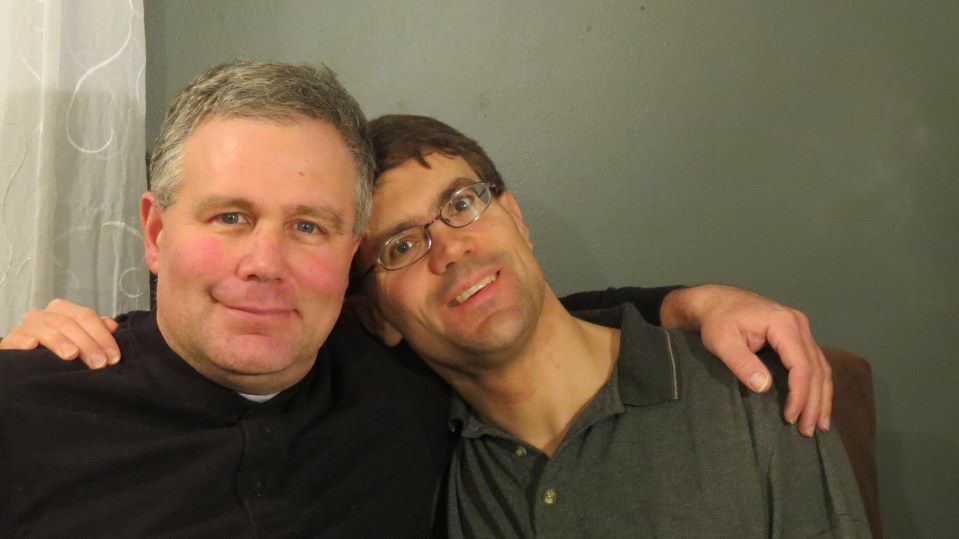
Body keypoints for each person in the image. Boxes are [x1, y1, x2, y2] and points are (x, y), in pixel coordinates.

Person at [1, 62, 832, 535]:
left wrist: (686, 302)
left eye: (309, 226)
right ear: (155, 233)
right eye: (230, 217)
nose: (264, 263)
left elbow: (506, 319)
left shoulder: (397, 390)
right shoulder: (29, 408)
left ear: (348, 270)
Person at [343, 114, 870, 536]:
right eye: (402, 246)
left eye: (462, 203)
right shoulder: (415, 474)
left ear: (516, 218)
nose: (453, 249)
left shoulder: (746, 390)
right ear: (375, 316)